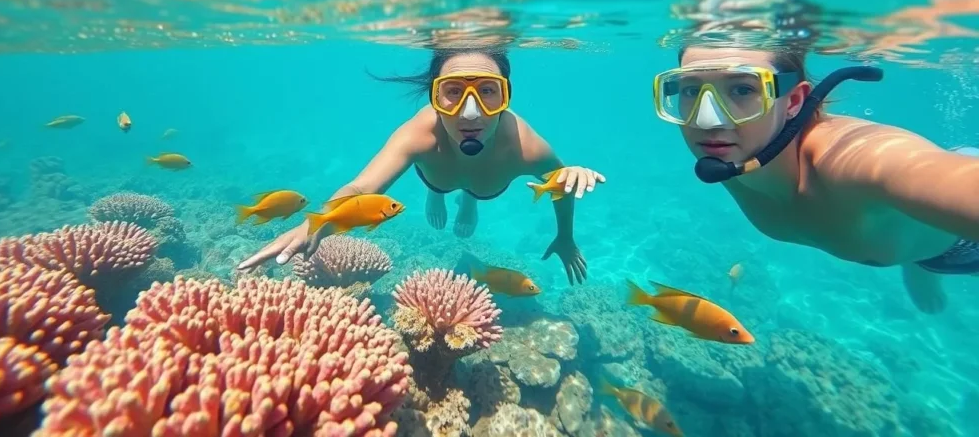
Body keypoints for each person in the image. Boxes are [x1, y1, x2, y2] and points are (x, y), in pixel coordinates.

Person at [652, 44, 979, 314]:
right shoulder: (731, 153)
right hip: (910, 241)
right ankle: (919, 262)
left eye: (742, 88)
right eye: (692, 90)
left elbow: (926, 173)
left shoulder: (853, 160)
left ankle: (920, 264)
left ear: (794, 100)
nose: (708, 119)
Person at [237, 48, 605, 284]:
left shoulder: (527, 147)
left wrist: (565, 234)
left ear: (506, 95)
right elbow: (362, 188)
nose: (471, 112)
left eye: (488, 91)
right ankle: (438, 194)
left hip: (485, 181)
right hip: (439, 170)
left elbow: (560, 185)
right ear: (434, 96)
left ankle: (468, 199)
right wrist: (315, 220)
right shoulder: (418, 134)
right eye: (453, 91)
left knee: (471, 191)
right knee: (440, 183)